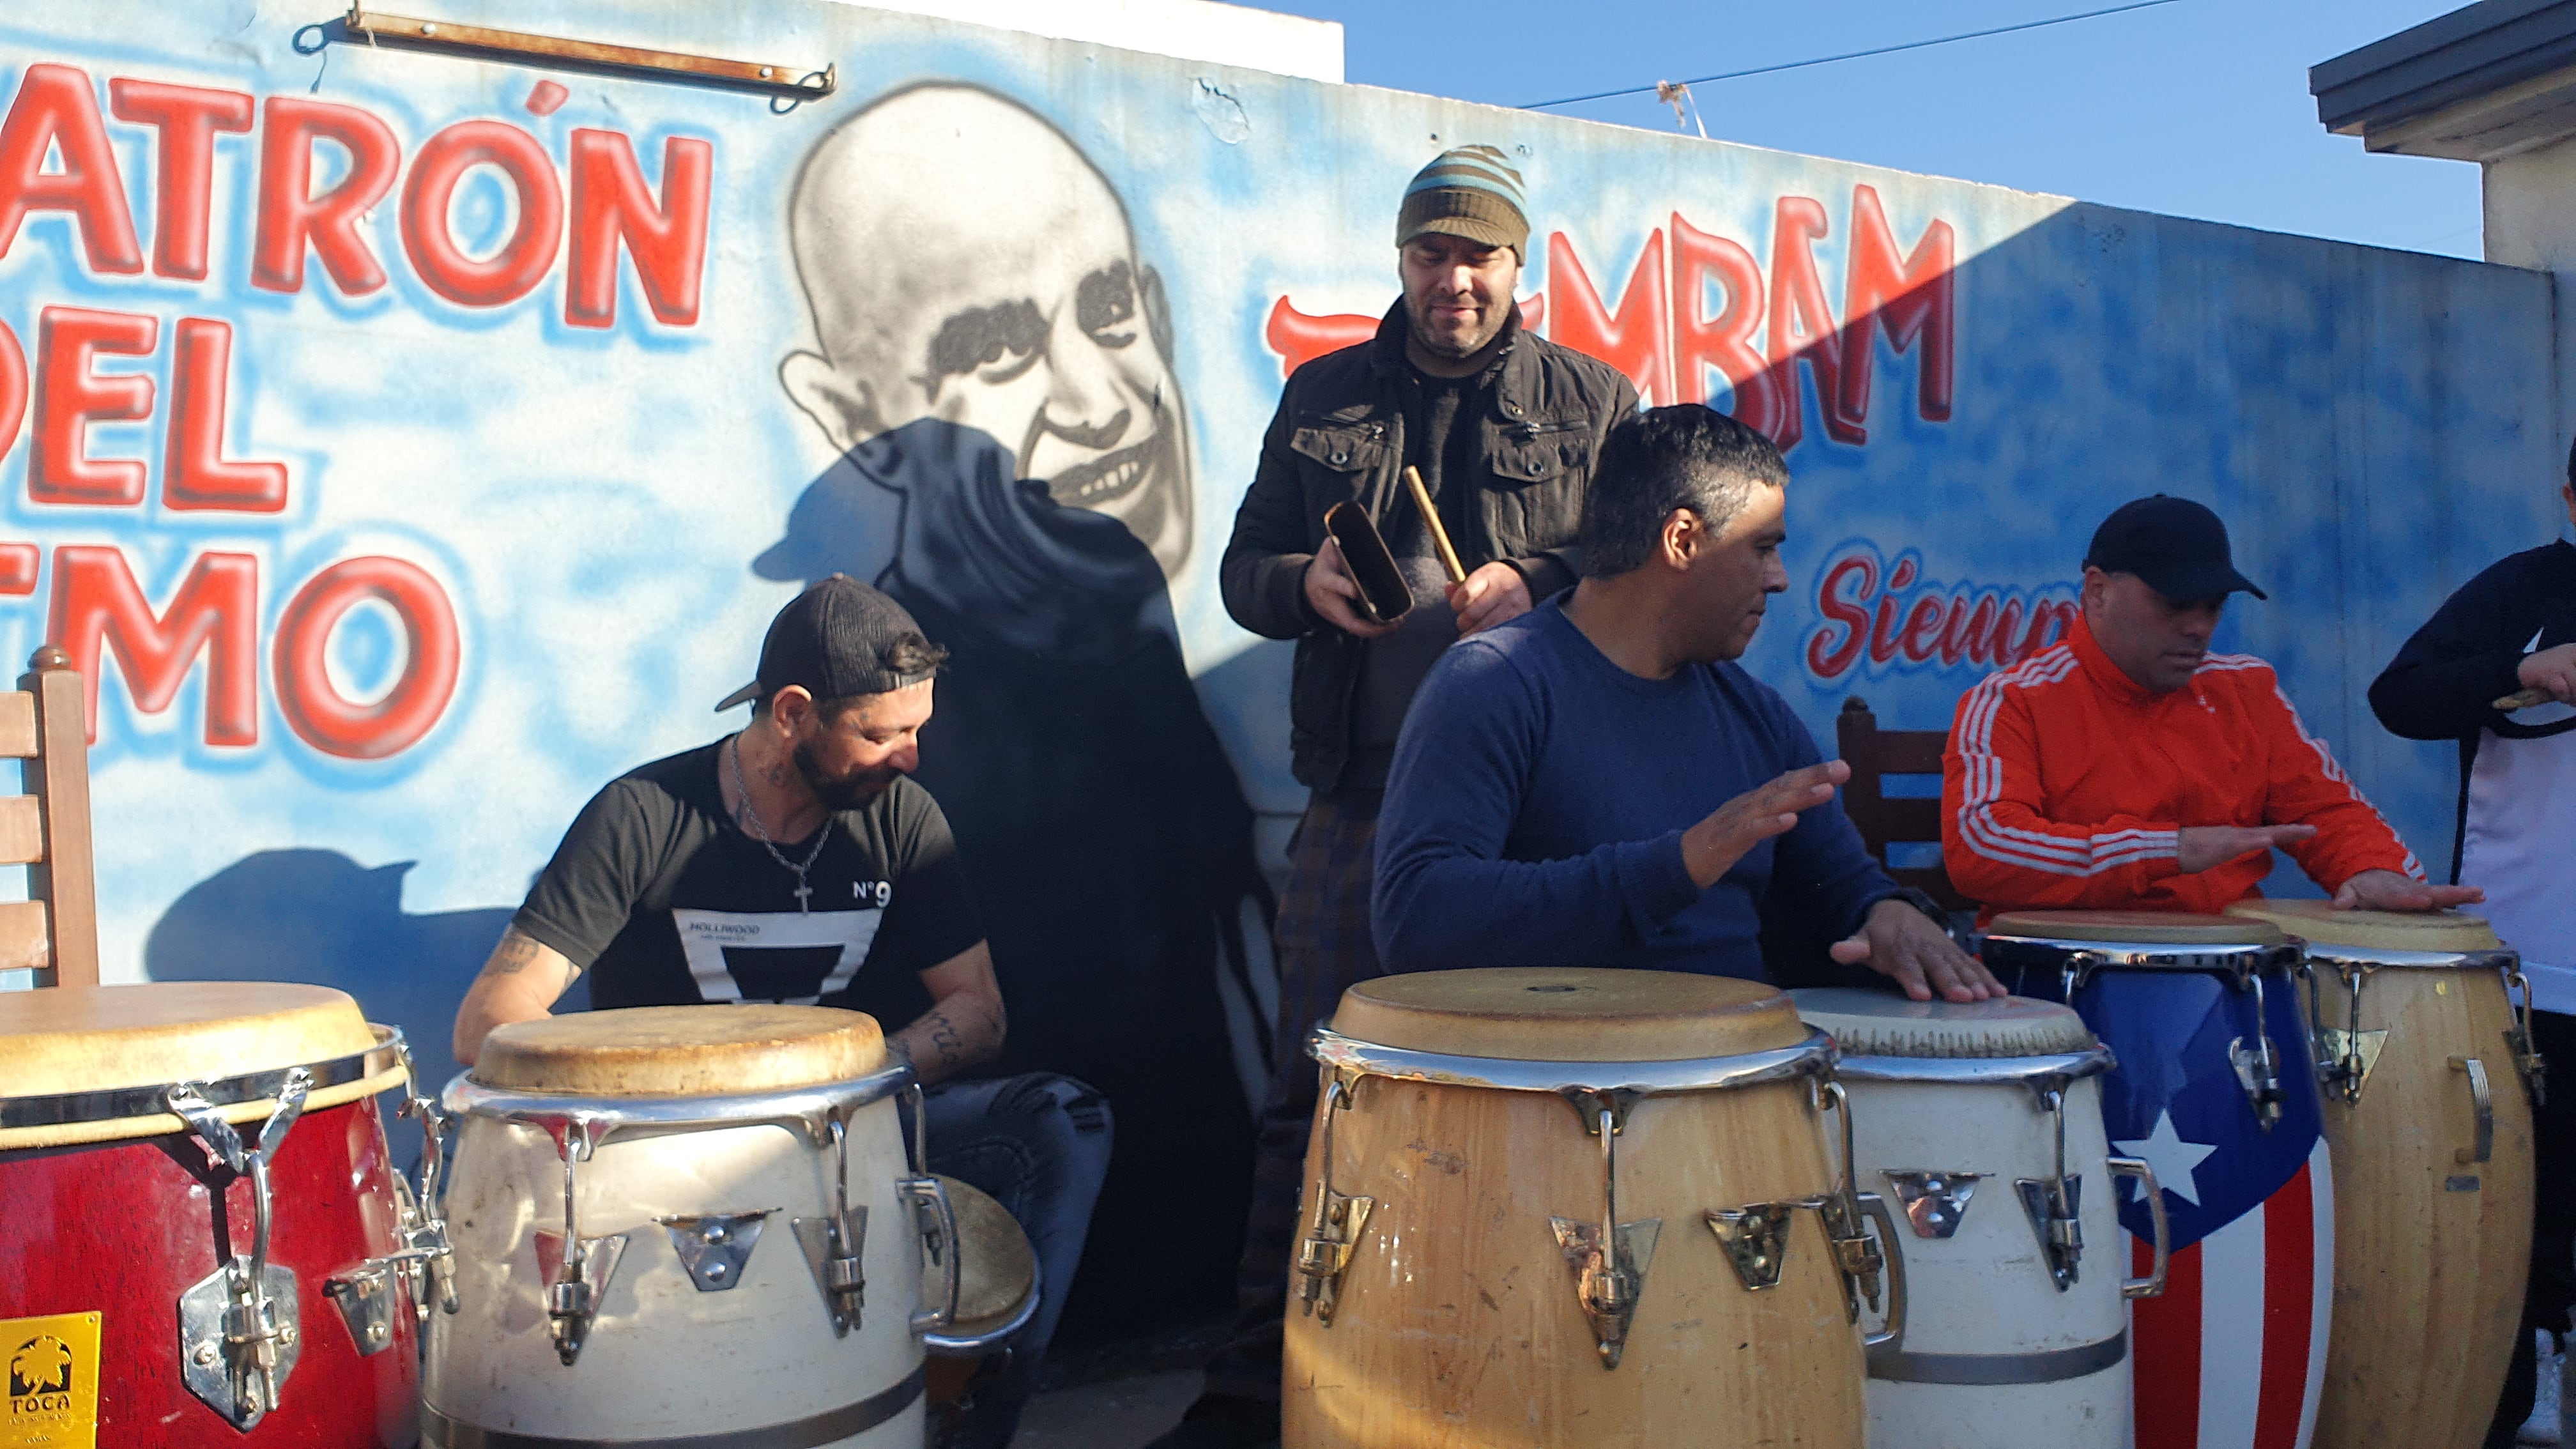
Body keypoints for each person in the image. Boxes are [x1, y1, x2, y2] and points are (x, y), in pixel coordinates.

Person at [1156, 144, 1639, 1449]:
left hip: (1536, 807)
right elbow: (1246, 570)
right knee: (1312, 1095)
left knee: (1531, 1098)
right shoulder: (1321, 393)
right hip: (1364, 795)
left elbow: (1640, 564)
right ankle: (1256, 1395)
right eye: (1433, 251)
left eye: (1480, 253)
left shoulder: (1595, 399)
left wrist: (1538, 578)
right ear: (1402, 258)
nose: (1455, 279)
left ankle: (1508, 1382)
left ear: (1517, 262)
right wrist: (1296, 587)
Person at [770, 82, 1268, 1339]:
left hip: (1196, 1258)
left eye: (1113, 312)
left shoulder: (1124, 601)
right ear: (854, 417)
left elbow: (1225, 918)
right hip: (996, 1273)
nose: (1102, 401)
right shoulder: (872, 698)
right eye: (997, 349)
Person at [450, 576, 1112, 1449]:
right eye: (881, 734)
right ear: (794, 713)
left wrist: (840, 1085)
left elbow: (978, 1012)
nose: (909, 756)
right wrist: (664, 1102)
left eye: (917, 729)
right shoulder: (643, 815)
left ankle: (966, 1420)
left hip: (852, 1133)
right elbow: (490, 1019)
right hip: (671, 1161)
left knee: (1061, 1121)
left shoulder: (904, 820)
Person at [1370, 402, 2000, 999]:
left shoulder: (1757, 715)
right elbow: (1416, 920)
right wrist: (1675, 866)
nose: (1779, 578)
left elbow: (1843, 887)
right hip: (1554, 1094)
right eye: (1762, 548)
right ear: (1682, 540)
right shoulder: (1492, 684)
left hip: (1740, 1088)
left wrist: (1888, 916)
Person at [1942, 493, 2479, 919]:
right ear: (2097, 592)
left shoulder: (2247, 688)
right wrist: (2166, 849)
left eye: (2213, 607)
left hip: (2236, 983)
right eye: (2175, 604)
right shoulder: (2011, 700)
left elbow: (2324, 810)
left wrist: (2369, 869)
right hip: (2058, 992)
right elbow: (1981, 849)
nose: (2199, 627)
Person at [2370, 444, 2576, 1449]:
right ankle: (2499, 1409)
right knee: (2526, 1223)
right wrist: (2519, 672)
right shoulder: (2524, 589)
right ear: (2573, 497)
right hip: (2538, 971)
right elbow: (2398, 695)